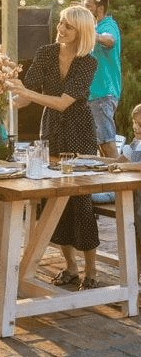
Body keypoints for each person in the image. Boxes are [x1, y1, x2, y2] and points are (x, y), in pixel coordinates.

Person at [7, 5, 100, 290]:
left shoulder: (88, 62)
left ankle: (92, 271)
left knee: (80, 201)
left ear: (81, 32)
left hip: (79, 132)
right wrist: (5, 95)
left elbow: (62, 102)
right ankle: (70, 266)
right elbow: (25, 97)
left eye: (68, 26)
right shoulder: (46, 53)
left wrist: (27, 93)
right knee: (52, 200)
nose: (60, 28)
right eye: (60, 23)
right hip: (51, 132)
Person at [79, 103, 141, 279]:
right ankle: (133, 284)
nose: (135, 127)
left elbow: (129, 165)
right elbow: (117, 161)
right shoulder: (136, 144)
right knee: (135, 241)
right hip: (135, 201)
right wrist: (91, 158)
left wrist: (124, 166)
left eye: (140, 124)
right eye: (134, 122)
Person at [82, 0, 122, 158]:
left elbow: (109, 40)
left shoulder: (108, 25)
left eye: (87, 7)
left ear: (99, 8)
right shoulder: (97, 27)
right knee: (102, 146)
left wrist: (91, 33)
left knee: (107, 143)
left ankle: (129, 184)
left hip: (103, 93)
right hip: (95, 95)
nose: (85, 10)